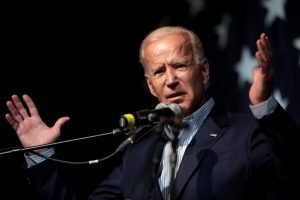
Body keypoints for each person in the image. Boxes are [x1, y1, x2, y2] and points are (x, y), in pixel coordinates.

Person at [5, 26, 299, 200]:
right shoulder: (139, 150)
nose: (170, 79)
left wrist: (264, 106)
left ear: (204, 70)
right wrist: (40, 154)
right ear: (151, 86)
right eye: (159, 71)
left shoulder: (247, 132)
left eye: (180, 66)